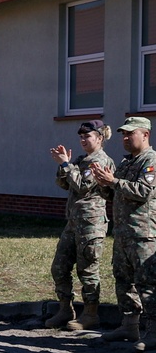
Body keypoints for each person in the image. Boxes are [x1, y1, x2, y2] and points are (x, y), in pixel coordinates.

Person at [44, 120, 115, 330]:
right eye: (81, 137)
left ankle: (91, 314)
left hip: (91, 224)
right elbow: (64, 184)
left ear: (99, 138)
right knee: (59, 267)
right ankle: (65, 309)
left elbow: (83, 186)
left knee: (88, 270)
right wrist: (63, 165)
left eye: (88, 136)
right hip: (74, 222)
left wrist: (67, 165)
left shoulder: (101, 161)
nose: (83, 140)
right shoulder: (82, 160)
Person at [92, 117, 156, 346]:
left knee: (147, 283)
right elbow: (116, 194)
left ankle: (153, 332)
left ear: (145, 134)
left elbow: (144, 191)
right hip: (122, 233)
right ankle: (129, 326)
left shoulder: (150, 160)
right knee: (123, 280)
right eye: (123, 134)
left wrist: (114, 181)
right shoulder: (126, 162)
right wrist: (104, 184)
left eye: (130, 133)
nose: (125, 138)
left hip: (142, 234)